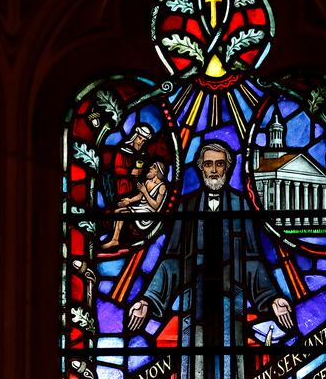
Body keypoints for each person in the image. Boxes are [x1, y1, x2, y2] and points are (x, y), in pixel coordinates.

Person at [127, 142, 293, 379]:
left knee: (231, 364)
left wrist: (272, 297)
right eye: (208, 164)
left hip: (230, 302)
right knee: (193, 364)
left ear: (228, 167)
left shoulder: (240, 204)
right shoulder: (186, 207)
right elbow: (171, 260)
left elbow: (253, 260)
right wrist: (148, 299)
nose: (214, 170)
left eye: (219, 164)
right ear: (200, 169)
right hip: (195, 301)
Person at [100, 161, 168, 249]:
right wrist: (129, 200)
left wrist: (145, 192)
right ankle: (116, 237)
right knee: (117, 211)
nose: (150, 167)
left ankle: (115, 240)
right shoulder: (147, 182)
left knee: (123, 214)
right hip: (141, 208)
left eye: (153, 167)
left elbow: (156, 206)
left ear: (157, 171)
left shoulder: (162, 187)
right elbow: (140, 196)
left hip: (148, 212)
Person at [111, 124, 153, 198]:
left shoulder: (143, 155)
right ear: (134, 136)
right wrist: (131, 171)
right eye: (140, 138)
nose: (140, 142)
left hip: (138, 189)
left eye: (143, 141)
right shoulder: (122, 151)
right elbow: (117, 169)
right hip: (124, 186)